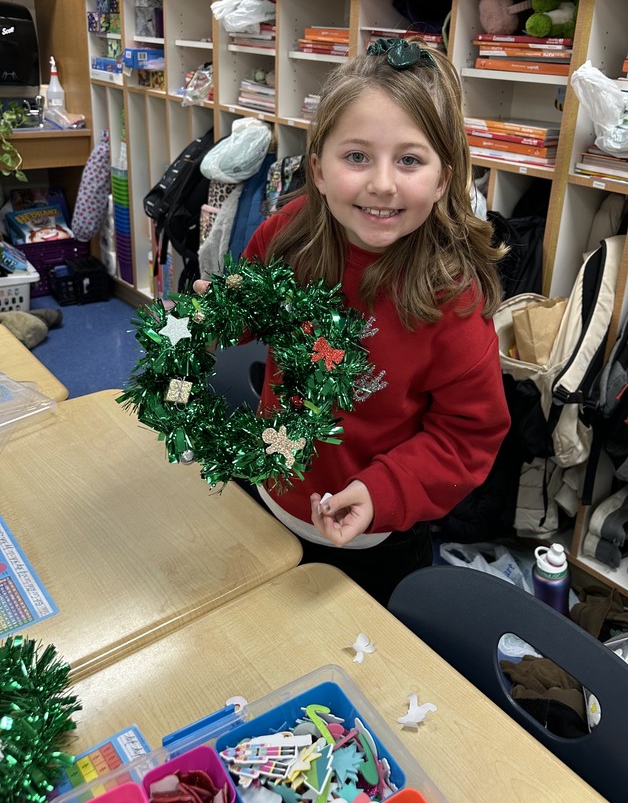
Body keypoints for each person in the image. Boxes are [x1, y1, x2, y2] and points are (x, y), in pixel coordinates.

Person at [197, 37, 510, 604]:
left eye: (410, 160)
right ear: (317, 169)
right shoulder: (287, 236)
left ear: (443, 180)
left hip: (374, 542)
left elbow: (468, 435)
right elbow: (245, 326)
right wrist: (220, 312)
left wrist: (380, 490)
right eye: (357, 156)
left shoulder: (451, 299)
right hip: (267, 496)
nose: (383, 183)